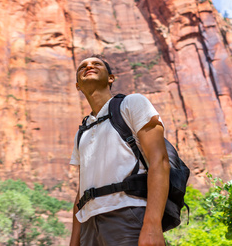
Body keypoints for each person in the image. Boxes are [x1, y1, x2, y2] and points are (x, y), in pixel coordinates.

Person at [69, 55, 170, 246]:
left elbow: (160, 161)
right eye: (83, 66)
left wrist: (153, 225)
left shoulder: (132, 104)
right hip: (89, 226)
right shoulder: (81, 132)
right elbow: (80, 193)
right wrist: (74, 241)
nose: (89, 65)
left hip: (128, 214)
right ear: (77, 86)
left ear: (111, 78)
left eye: (96, 64)